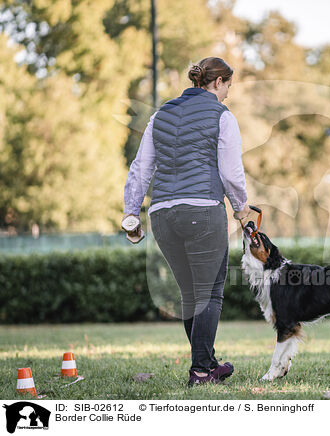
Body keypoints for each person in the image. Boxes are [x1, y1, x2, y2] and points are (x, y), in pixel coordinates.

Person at [122, 57, 250, 385]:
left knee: (191, 294)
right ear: (218, 82)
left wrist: (131, 213)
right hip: (202, 209)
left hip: (162, 213)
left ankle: (206, 364)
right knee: (208, 291)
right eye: (228, 87)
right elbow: (231, 172)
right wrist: (241, 208)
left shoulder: (160, 114)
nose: (227, 95)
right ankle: (202, 371)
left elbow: (141, 166)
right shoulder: (222, 116)